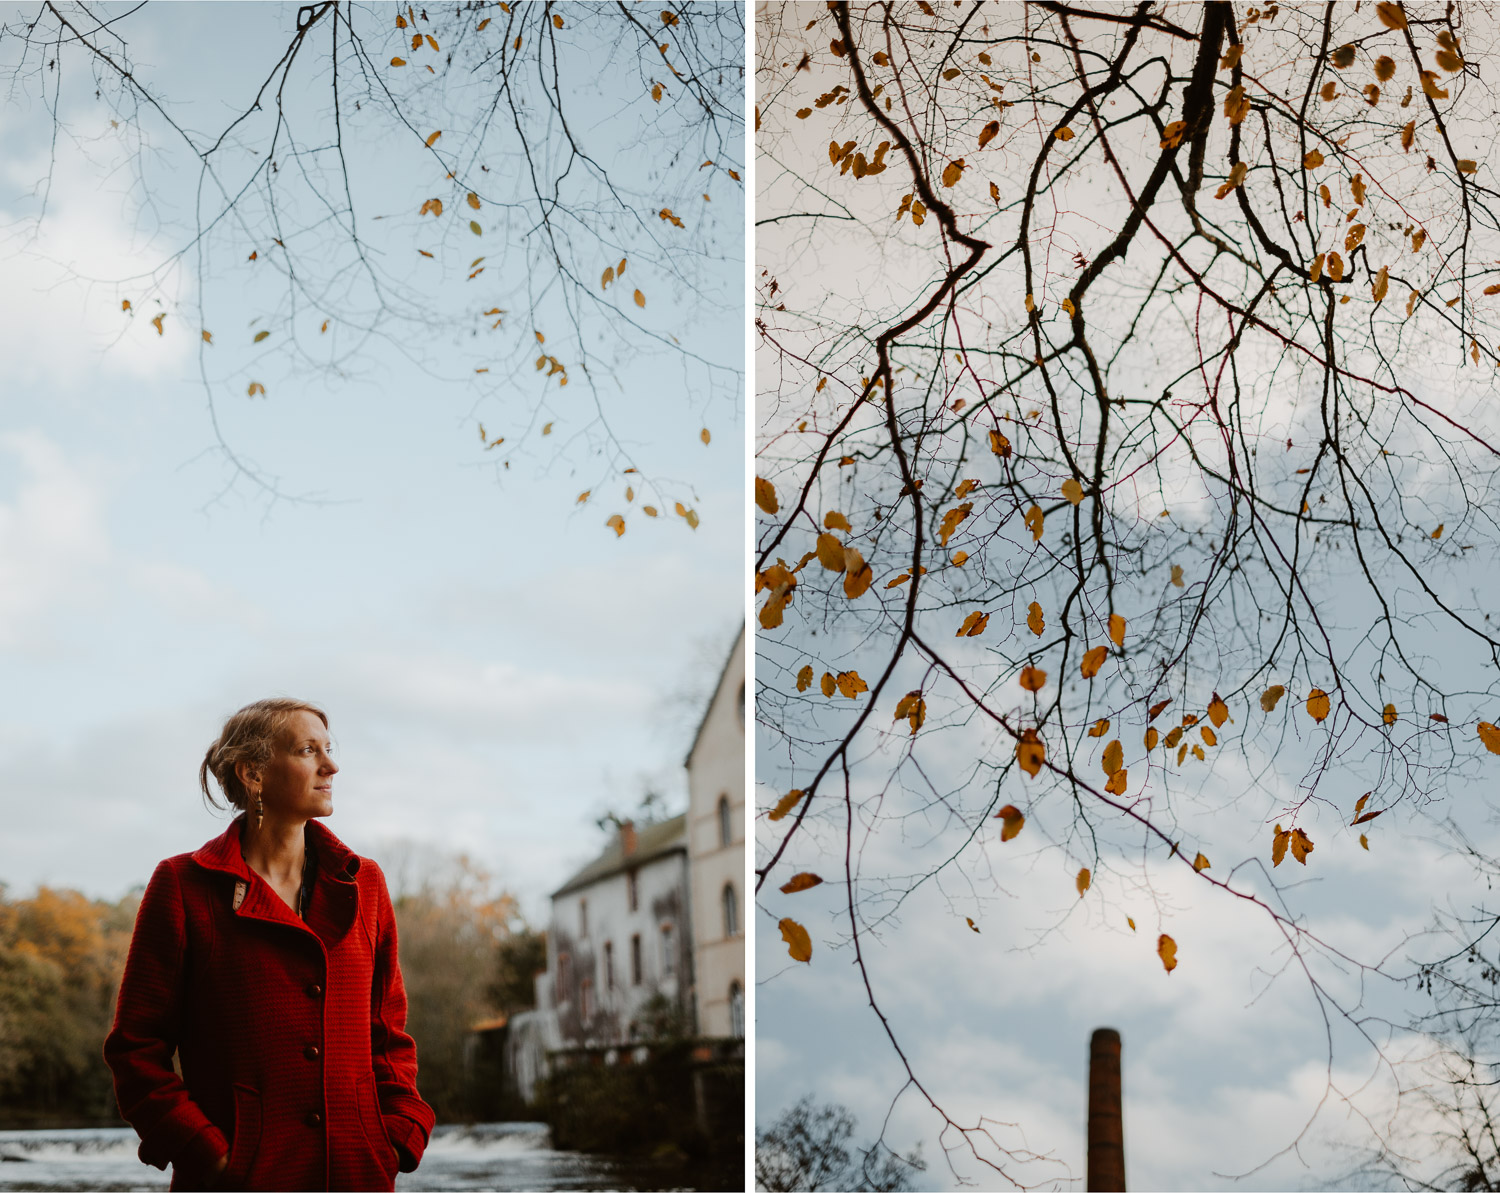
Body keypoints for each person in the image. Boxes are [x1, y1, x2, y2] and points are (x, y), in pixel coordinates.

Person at [104, 697, 435, 1191]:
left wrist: (398, 1135)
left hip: (358, 1173)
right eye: (308, 751)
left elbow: (388, 1035)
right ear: (253, 772)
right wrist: (205, 1152)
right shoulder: (182, 885)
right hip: (239, 1180)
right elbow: (136, 1049)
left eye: (329, 748)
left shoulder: (364, 883)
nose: (331, 765)